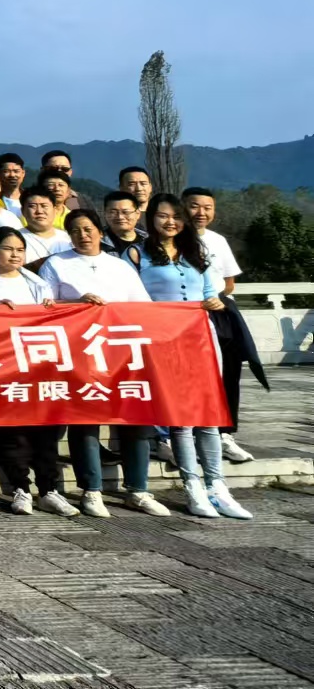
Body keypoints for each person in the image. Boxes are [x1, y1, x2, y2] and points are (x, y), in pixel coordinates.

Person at [40, 209, 170, 517]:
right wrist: (76, 304)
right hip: (79, 353)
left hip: (122, 352)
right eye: (75, 230)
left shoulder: (119, 266)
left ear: (100, 232)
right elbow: (43, 307)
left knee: (135, 419)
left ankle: (138, 490)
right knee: (86, 420)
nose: (82, 235)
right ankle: (92, 490)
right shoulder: (56, 264)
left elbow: (142, 307)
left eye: (88, 229)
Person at [138, 194, 250, 520]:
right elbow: (133, 299)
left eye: (176, 216)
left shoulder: (195, 251)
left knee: (209, 415)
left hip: (201, 337)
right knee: (181, 418)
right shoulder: (138, 254)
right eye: (163, 216)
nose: (170, 222)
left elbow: (210, 292)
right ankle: (193, 486)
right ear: (151, 219)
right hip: (164, 341)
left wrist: (214, 301)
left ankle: (218, 486)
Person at [0, 228, 74, 518]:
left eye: (20, 250)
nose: (15, 255)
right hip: (4, 367)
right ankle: (21, 488)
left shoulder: (36, 281)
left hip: (38, 365)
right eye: (8, 249)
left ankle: (49, 490)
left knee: (46, 430)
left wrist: (53, 309)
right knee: (14, 431)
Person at [182, 187, 252, 462]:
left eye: (207, 207)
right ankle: (188, 435)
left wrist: (216, 297)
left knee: (228, 372)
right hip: (186, 316)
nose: (201, 212)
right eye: (194, 206)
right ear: (182, 207)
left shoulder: (217, 240)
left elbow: (229, 281)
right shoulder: (173, 240)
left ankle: (225, 434)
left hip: (220, 312)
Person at [15, 186, 71, 267]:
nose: (39, 211)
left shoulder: (68, 238)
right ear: (23, 211)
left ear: (55, 210)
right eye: (32, 206)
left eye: (44, 206)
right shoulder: (15, 239)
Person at [102, 190, 151, 268]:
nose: (120, 217)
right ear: (105, 214)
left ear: (137, 214)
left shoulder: (149, 240)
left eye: (126, 212)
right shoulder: (98, 242)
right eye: (113, 212)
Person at [0, 153, 28, 217]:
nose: (12, 175)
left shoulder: (30, 198)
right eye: (6, 171)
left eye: (16, 171)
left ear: (23, 173)